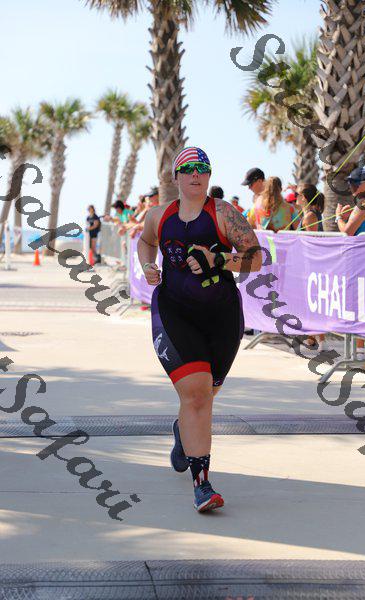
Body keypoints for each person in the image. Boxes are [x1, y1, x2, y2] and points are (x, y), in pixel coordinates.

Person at [137, 146, 262, 512]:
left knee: (206, 395)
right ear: (176, 177)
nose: (196, 174)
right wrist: (148, 266)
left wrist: (217, 258)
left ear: (209, 175)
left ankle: (183, 431)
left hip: (222, 317)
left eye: (203, 169)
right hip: (174, 312)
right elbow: (145, 242)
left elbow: (257, 259)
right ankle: (202, 485)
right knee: (195, 395)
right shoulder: (158, 216)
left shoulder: (224, 214)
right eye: (189, 168)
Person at [336, 165, 365, 358]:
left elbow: (347, 232)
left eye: (356, 183)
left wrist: (339, 218)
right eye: (351, 183)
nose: (352, 187)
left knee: (361, 303)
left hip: (363, 259)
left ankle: (363, 350)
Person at [295, 183, 326, 350]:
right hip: (307, 264)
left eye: (298, 194)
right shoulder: (309, 214)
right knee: (309, 303)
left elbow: (312, 242)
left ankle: (321, 341)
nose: (296, 197)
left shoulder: (310, 216)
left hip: (311, 265)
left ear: (305, 197)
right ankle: (311, 338)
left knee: (314, 304)